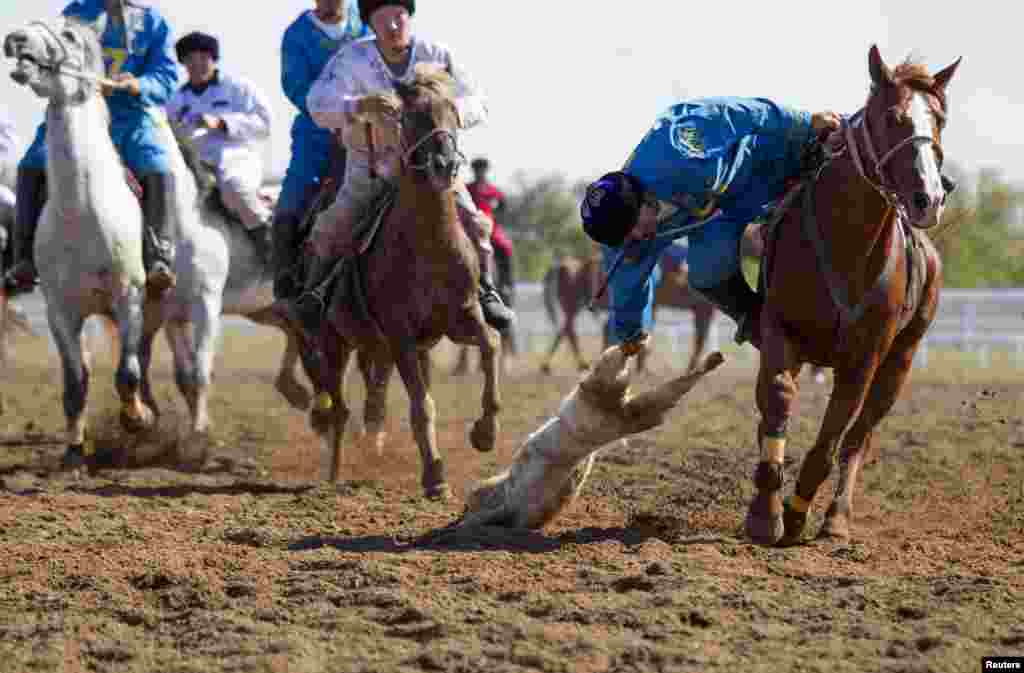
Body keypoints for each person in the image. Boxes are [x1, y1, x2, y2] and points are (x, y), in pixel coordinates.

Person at [292, 0, 515, 336]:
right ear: (370, 24)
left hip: (433, 165)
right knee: (333, 224)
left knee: (475, 223)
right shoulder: (351, 59)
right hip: (371, 164)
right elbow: (317, 103)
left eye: (399, 16)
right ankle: (315, 296)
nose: (393, 26)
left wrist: (449, 109)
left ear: (409, 17)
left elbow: (478, 101)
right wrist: (358, 105)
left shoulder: (437, 54)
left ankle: (486, 289)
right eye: (383, 20)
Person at [580, 97, 843, 348]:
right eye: (626, 239)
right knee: (706, 274)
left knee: (852, 135)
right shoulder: (624, 239)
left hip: (769, 157)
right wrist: (630, 336)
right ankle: (758, 326)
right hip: (724, 211)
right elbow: (626, 289)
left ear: (642, 200)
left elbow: (741, 112)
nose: (637, 239)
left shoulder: (674, 147)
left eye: (634, 229)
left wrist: (805, 122)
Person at [4, 0, 180, 295]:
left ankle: (158, 256)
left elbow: (167, 76)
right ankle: (24, 258)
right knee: (30, 164)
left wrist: (138, 84)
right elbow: (54, 56)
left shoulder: (153, 21)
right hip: (78, 111)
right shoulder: (76, 13)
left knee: (158, 165)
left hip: (130, 116)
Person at [274, 0, 369, 301]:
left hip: (368, 126)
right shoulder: (297, 34)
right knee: (294, 192)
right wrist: (332, 115)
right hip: (316, 130)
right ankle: (285, 279)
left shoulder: (366, 24)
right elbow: (295, 86)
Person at [167, 31, 274, 263]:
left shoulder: (239, 88)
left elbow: (265, 123)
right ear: (183, 63)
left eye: (203, 58)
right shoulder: (175, 101)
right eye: (190, 59)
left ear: (213, 59)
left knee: (235, 188)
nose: (197, 64)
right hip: (194, 161)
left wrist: (223, 123)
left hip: (236, 157)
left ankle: (269, 247)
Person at [467, 157, 515, 306]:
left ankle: (506, 283)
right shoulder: (467, 189)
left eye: (482, 170)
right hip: (470, 229)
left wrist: (495, 219)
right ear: (474, 171)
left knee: (506, 246)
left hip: (491, 229)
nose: (480, 173)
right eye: (477, 170)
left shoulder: (494, 191)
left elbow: (502, 209)